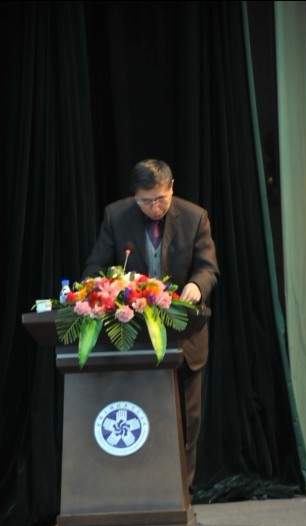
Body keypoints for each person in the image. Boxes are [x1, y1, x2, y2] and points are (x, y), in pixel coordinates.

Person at [82, 159, 220, 498]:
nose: (155, 207)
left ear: (171, 187)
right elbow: (94, 269)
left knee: (187, 420)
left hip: (183, 337)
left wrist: (197, 286)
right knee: (139, 415)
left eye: (161, 199)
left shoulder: (194, 217)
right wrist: (107, 289)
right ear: (135, 196)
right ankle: (139, 494)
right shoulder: (116, 216)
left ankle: (181, 495)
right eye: (146, 201)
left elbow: (208, 268)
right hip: (132, 339)